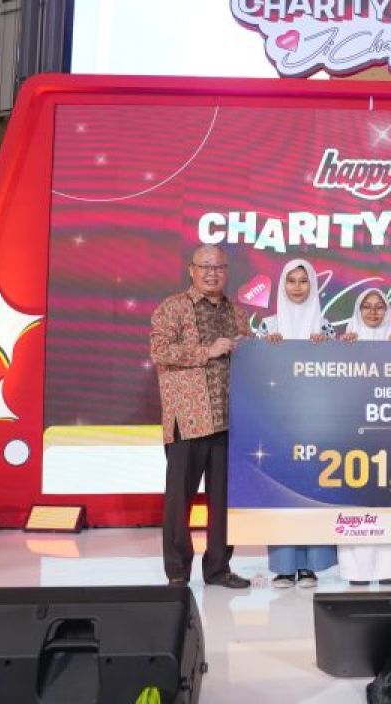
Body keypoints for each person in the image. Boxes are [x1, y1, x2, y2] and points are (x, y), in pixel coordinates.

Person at [150, 244, 251, 589]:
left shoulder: (237, 313)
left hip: (229, 421)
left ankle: (218, 569)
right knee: (179, 500)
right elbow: (160, 351)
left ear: (227, 272)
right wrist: (207, 351)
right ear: (191, 270)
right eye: (205, 267)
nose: (212, 273)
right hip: (189, 419)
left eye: (218, 267)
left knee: (223, 502)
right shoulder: (173, 307)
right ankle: (177, 572)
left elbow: (250, 356)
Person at [258, 259, 338, 588]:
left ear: (313, 285)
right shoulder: (268, 326)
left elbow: (338, 374)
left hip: (315, 422)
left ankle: (311, 566)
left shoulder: (325, 327)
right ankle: (284, 566)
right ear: (282, 285)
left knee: (312, 489)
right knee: (281, 492)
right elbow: (257, 372)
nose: (297, 287)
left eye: (303, 280)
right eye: (290, 280)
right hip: (277, 423)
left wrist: (326, 349)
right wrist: (267, 350)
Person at [336, 288, 391, 586]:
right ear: (357, 311)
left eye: (379, 306)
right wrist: (339, 350)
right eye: (366, 306)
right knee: (357, 503)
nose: (372, 312)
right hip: (354, 437)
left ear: (387, 311)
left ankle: (390, 568)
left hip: (390, 436)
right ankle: (357, 570)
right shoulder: (344, 344)